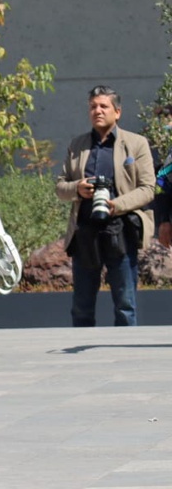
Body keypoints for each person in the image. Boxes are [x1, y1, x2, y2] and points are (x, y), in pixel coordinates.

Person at [55, 85, 154, 327]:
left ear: (117, 112)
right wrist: (77, 187)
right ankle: (82, 362)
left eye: (103, 106)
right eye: (93, 106)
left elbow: (148, 188)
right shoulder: (77, 145)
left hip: (120, 228)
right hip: (85, 229)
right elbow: (60, 186)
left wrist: (116, 205)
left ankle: (125, 356)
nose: (97, 111)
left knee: (125, 304)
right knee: (81, 306)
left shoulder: (137, 144)